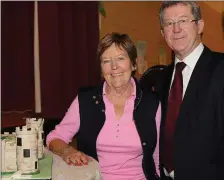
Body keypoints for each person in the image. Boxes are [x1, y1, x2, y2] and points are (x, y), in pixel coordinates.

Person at [46, 32, 161, 180]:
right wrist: (68, 151)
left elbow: (157, 157)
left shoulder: (152, 103)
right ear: (101, 68)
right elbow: (54, 138)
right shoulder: (85, 100)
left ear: (133, 64)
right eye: (106, 61)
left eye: (120, 58)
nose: (114, 67)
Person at [158, 1, 224, 180]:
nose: (176, 29)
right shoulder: (160, 77)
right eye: (169, 24)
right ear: (163, 33)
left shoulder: (221, 69)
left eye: (183, 20)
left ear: (200, 25)